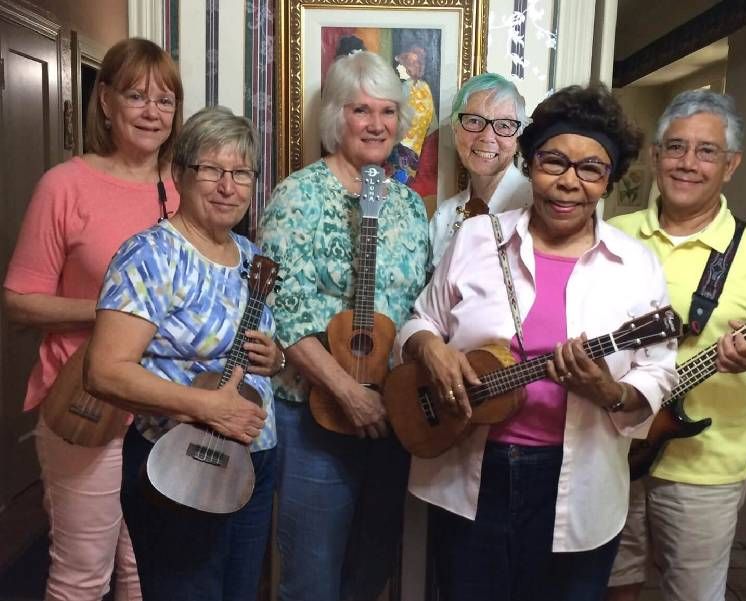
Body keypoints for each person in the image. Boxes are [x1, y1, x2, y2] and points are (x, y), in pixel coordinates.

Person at [396, 84, 678, 601]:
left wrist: (609, 392)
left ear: (608, 179)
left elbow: (658, 370)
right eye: (554, 162)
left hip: (580, 480)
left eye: (590, 168)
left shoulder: (636, 265)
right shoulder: (479, 238)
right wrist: (430, 349)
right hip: (469, 470)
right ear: (530, 164)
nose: (569, 182)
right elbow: (420, 322)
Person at [2, 37, 183, 601]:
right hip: (87, 405)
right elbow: (19, 301)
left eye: (165, 100)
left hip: (166, 410)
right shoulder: (64, 186)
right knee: (83, 574)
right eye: (136, 96)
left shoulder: (183, 191)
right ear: (105, 102)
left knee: (141, 568)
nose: (152, 112)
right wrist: (115, 312)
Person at [605, 91, 746, 601]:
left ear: (731, 164)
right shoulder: (613, 235)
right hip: (607, 450)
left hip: (705, 469)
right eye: (676, 147)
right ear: (655, 156)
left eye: (707, 151)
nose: (688, 163)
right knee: (610, 586)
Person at [84, 106, 282, 601]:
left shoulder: (251, 258)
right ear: (180, 173)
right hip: (179, 461)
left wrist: (276, 359)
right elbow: (103, 372)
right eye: (211, 169)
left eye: (240, 173)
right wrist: (209, 406)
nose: (227, 185)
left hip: (254, 461)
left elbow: (265, 355)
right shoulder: (150, 254)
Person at [258, 50, 430, 601]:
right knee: (312, 572)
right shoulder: (298, 196)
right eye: (361, 110)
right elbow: (286, 311)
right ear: (336, 117)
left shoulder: (408, 205)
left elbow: (419, 307)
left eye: (387, 111)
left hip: (391, 418)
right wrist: (346, 393)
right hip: (314, 417)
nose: (377, 124)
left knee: (370, 567)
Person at [429, 72, 531, 267]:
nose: (487, 136)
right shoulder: (445, 216)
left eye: (504, 125)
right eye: (474, 121)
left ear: (518, 139)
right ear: (455, 128)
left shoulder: (535, 207)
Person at [388, 45, 437, 185]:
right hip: (418, 148)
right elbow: (433, 123)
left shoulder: (404, 88)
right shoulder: (424, 87)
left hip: (402, 147)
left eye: (401, 65)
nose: (398, 68)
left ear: (409, 68)